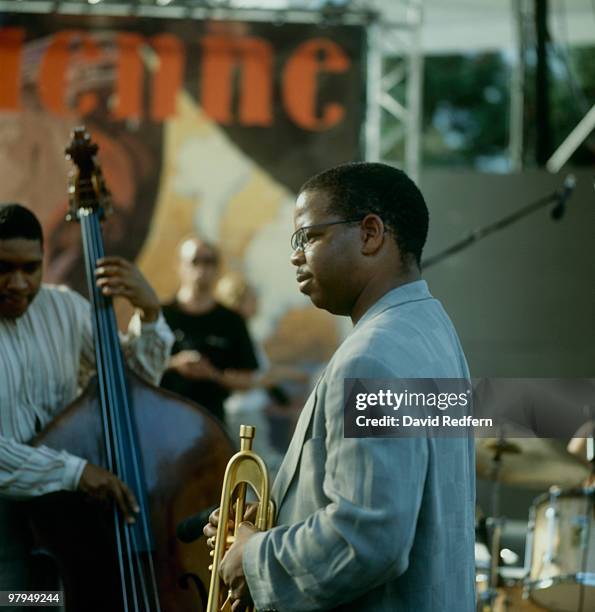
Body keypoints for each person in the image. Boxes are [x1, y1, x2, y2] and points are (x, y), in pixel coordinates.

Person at [205, 162, 476, 611]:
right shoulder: (434, 333)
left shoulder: (372, 356)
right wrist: (282, 521)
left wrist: (254, 557)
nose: (295, 255)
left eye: (309, 237)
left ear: (371, 234)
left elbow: (368, 537)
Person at [0, 203, 174, 589]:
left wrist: (149, 313)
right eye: (3, 268)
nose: (17, 283)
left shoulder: (65, 309)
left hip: (69, 516)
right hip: (5, 519)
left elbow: (131, 385)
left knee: (71, 601)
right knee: (19, 604)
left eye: (29, 268)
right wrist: (76, 472)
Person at [160, 238, 259, 425]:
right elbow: (136, 367)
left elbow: (247, 380)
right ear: (179, 266)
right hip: (164, 420)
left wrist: (212, 374)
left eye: (209, 261)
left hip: (212, 424)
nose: (202, 268)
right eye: (195, 260)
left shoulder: (231, 320)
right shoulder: (160, 316)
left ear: (217, 268)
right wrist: (175, 364)